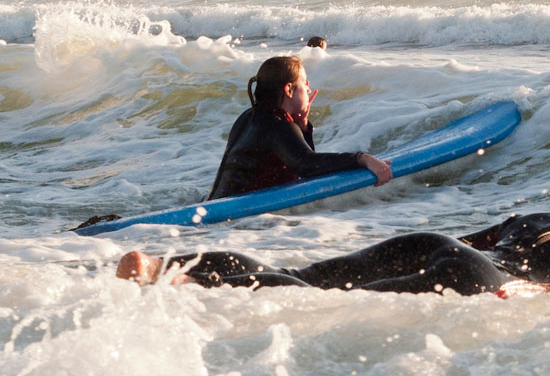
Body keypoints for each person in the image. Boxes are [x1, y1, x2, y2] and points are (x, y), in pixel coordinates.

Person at [115, 213, 550, 297]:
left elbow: (468, 243)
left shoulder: (530, 218)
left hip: (433, 242)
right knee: (321, 298)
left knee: (302, 276)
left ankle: (162, 265)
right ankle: (190, 283)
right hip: (481, 278)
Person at [206, 56, 392, 200]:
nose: (308, 88)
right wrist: (362, 159)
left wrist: (302, 126)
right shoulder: (278, 126)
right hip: (235, 217)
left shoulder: (248, 117)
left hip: (215, 203)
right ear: (289, 90)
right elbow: (308, 166)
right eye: (304, 82)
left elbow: (302, 161)